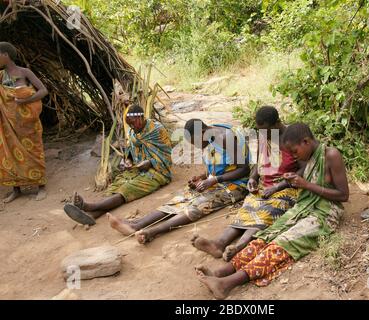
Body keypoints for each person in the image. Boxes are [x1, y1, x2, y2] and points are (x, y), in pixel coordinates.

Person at [195, 122, 349, 299]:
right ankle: (222, 273)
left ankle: (228, 284)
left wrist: (306, 184)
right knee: (267, 235)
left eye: (294, 152)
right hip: (303, 206)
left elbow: (343, 195)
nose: (293, 156)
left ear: (306, 141)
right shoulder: (310, 156)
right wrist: (293, 179)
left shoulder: (331, 155)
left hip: (324, 212)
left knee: (283, 243)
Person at [107, 118, 251, 244]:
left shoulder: (225, 138)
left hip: (237, 185)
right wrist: (202, 177)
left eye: (195, 142)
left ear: (202, 133)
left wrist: (214, 180)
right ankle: (136, 224)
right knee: (182, 198)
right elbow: (220, 164)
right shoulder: (209, 135)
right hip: (217, 180)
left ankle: (153, 231)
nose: (195, 146)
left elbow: (244, 170)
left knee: (199, 205)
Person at [192, 106, 302, 261]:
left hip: (289, 187)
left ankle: (240, 245)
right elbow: (259, 162)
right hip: (265, 185)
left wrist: (278, 187)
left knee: (267, 211)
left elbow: (304, 169)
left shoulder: (294, 137)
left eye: (266, 130)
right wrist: (253, 178)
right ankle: (218, 243)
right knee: (248, 209)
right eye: (259, 131)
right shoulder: (265, 135)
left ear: (277, 123)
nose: (263, 134)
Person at [63, 104, 172, 225]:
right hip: (137, 170)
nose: (131, 127)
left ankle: (88, 206)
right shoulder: (132, 132)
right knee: (117, 185)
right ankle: (92, 216)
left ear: (141, 117)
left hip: (157, 172)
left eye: (133, 123)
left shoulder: (157, 130)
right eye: (129, 124)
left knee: (127, 188)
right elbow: (130, 152)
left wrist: (151, 162)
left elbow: (167, 153)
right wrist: (128, 161)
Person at [0, 42, 49, 202]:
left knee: (34, 151)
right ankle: (16, 189)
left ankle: (40, 186)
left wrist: (25, 100)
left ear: (5, 55)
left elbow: (43, 90)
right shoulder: (0, 76)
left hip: (28, 124)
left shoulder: (24, 72)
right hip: (8, 124)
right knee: (10, 153)